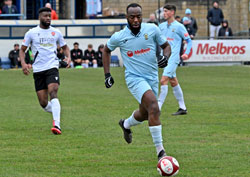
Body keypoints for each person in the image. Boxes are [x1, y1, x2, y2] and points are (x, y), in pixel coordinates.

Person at [102, 3, 171, 161]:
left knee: (146, 114)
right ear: (127, 17)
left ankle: (126, 124)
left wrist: (165, 57)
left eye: (138, 16)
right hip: (134, 79)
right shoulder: (119, 36)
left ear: (142, 16)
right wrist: (107, 74)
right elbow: (106, 50)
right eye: (132, 17)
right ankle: (161, 152)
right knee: (154, 106)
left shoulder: (152, 29)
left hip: (152, 78)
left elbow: (166, 46)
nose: (135, 20)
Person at [19, 7, 71, 135]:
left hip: (52, 67)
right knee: (43, 102)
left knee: (53, 92)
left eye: (49, 16)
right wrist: (24, 64)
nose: (48, 18)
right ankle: (56, 109)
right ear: (40, 17)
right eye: (45, 16)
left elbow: (65, 47)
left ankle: (57, 125)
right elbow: (22, 50)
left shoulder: (56, 32)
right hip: (38, 70)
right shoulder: (31, 33)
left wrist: (68, 57)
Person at [158, 4, 192, 115]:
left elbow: (189, 41)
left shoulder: (179, 26)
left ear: (172, 12)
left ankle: (157, 108)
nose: (164, 13)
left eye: (166, 11)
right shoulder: (161, 26)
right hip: (165, 58)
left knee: (163, 80)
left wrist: (186, 53)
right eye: (163, 11)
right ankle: (183, 108)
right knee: (173, 81)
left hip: (174, 58)